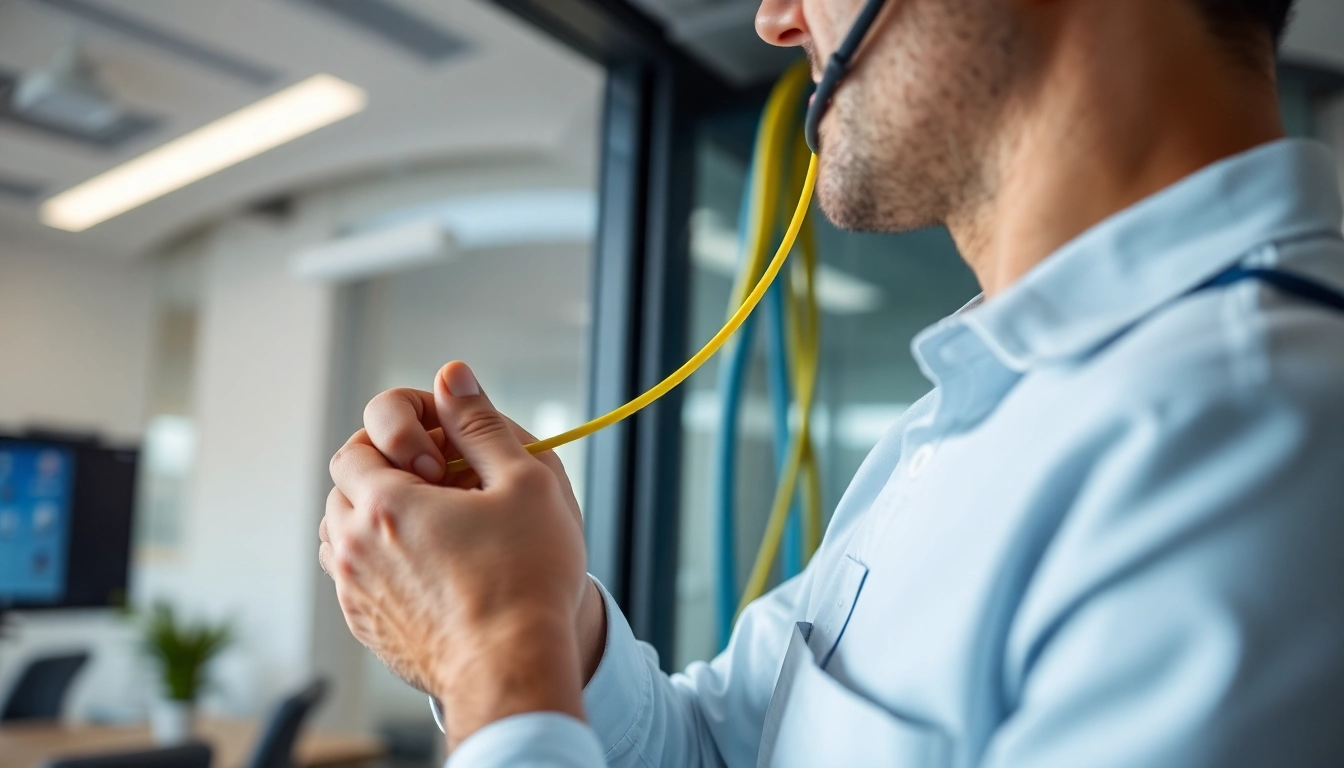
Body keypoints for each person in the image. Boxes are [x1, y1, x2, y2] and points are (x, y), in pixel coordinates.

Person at [318, 0, 1344, 764]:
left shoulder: (1258, 440)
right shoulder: (979, 411)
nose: (774, 18)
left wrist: (494, 651)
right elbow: (727, 749)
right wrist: (532, 616)